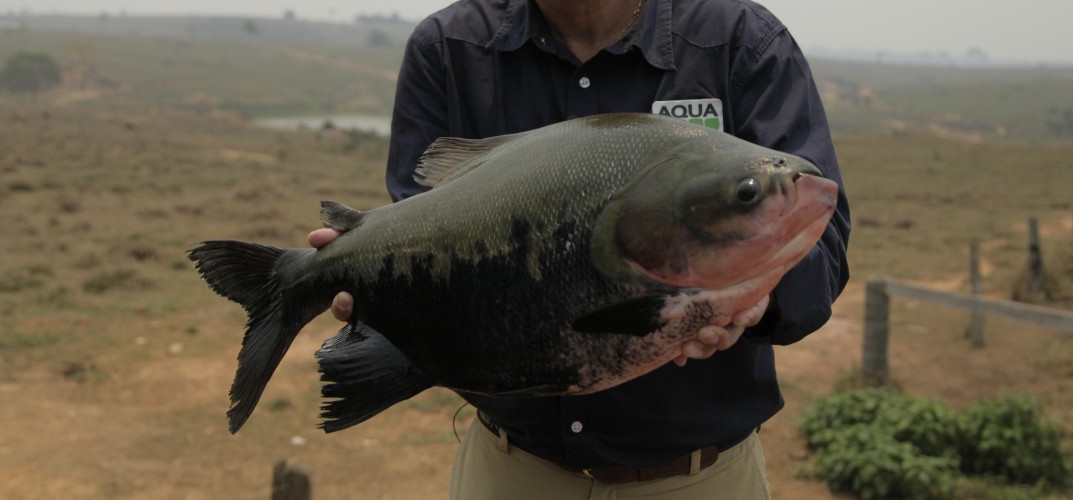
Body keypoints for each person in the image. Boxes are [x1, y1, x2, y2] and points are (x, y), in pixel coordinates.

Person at [307, 0, 851, 497]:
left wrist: (755, 301)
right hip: (509, 469)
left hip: (701, 477)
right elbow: (421, 236)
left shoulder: (742, 42)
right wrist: (373, 285)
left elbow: (821, 248)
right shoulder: (448, 48)